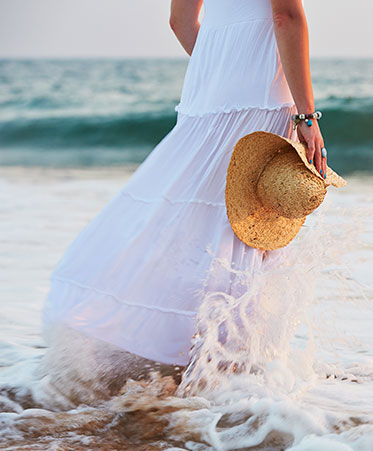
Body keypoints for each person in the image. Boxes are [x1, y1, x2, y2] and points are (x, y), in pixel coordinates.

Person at [40, 0, 327, 388]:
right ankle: (231, 364)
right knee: (247, 221)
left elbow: (180, 22)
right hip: (261, 87)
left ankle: (171, 346)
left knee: (196, 215)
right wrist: (306, 115)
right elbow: (285, 15)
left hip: (210, 85)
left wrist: (223, 65)